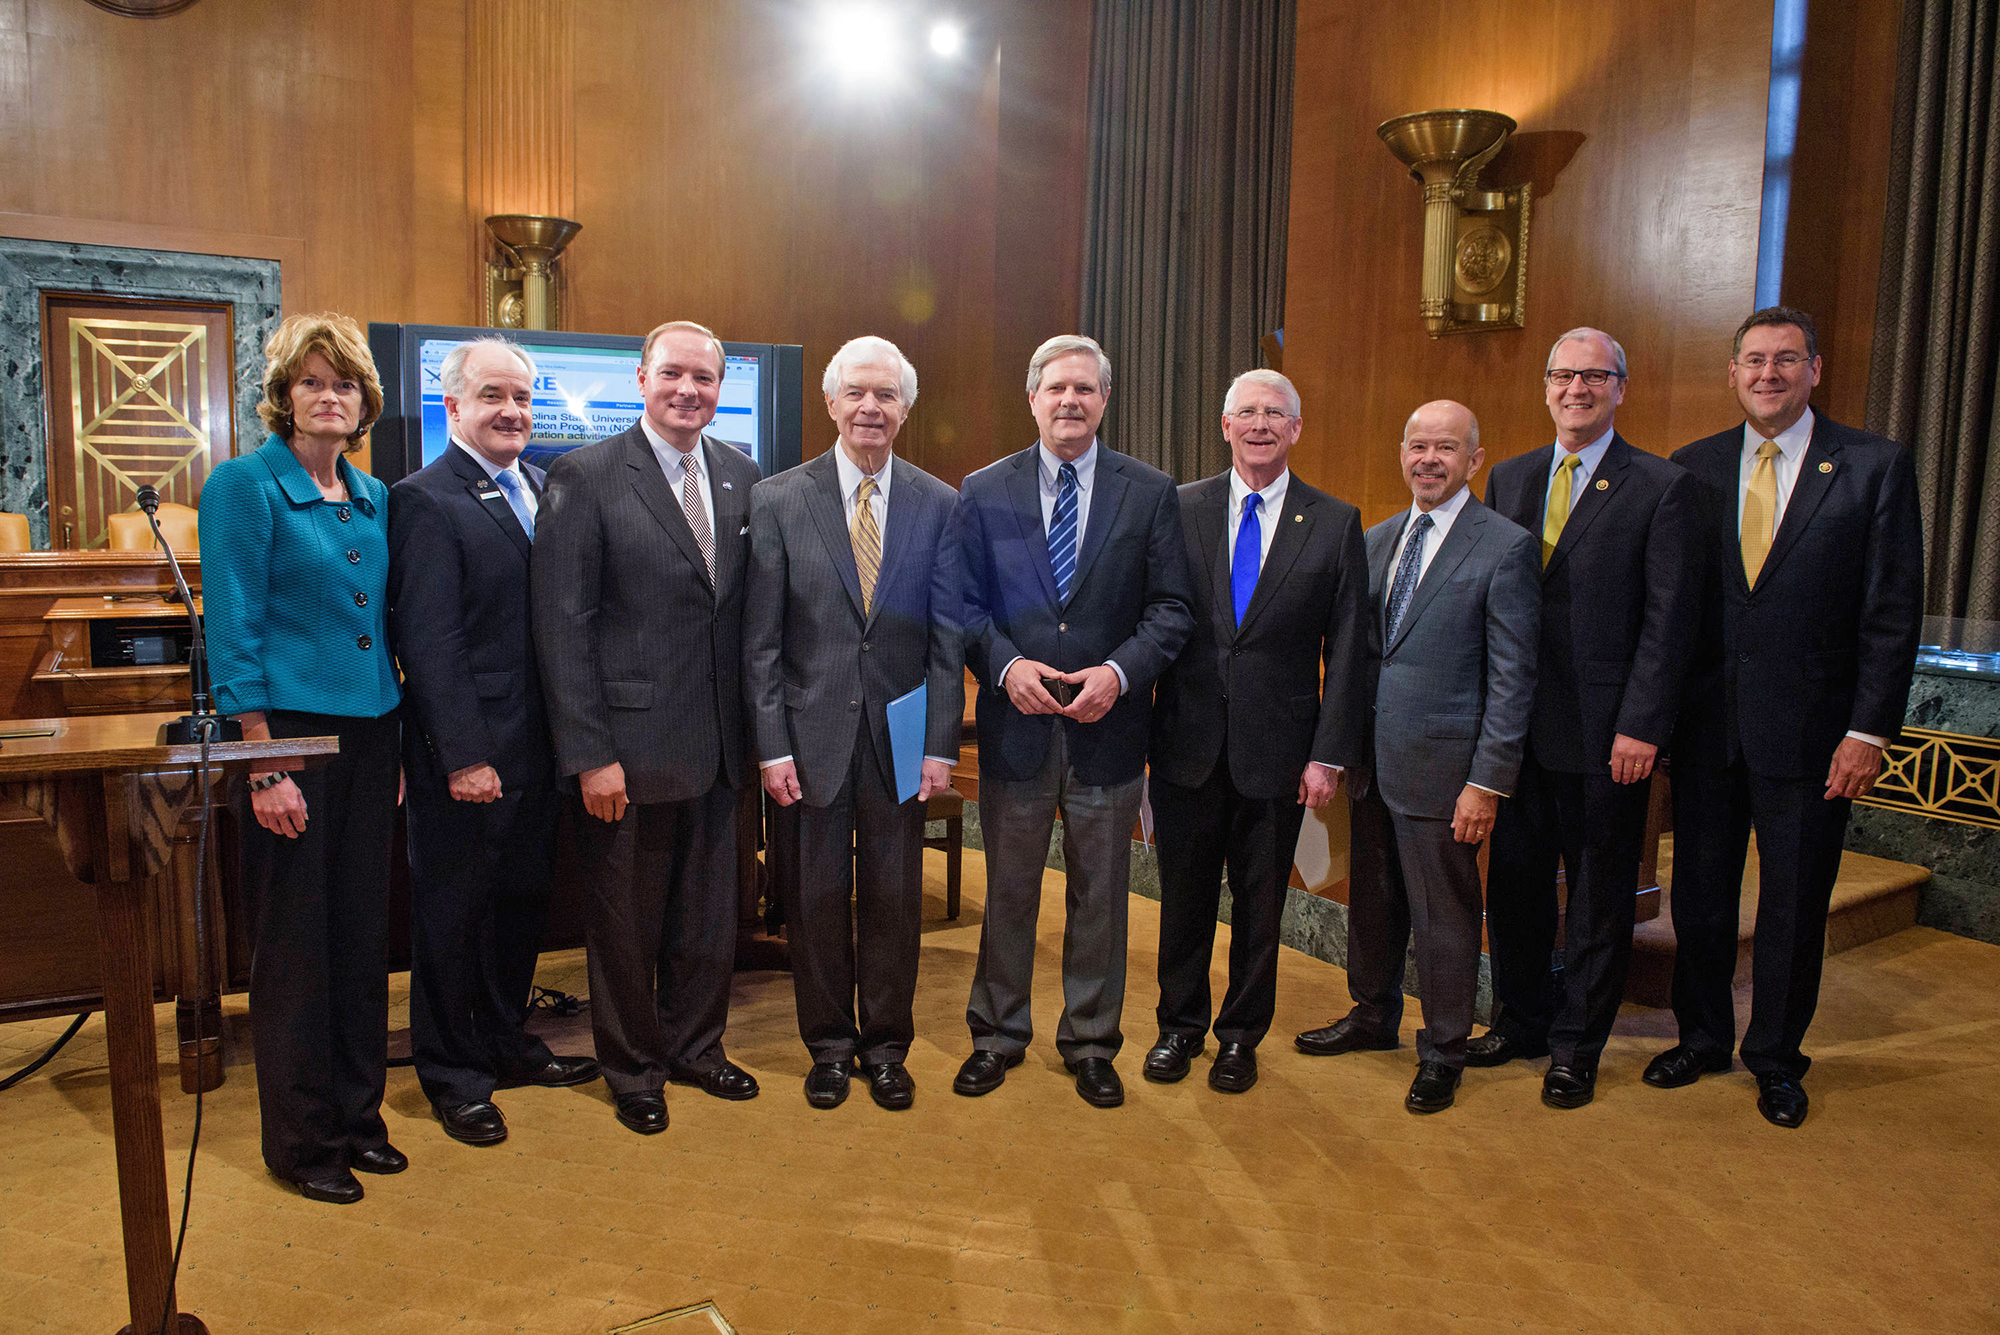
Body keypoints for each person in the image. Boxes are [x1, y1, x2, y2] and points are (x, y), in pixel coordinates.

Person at [1651, 306, 1923, 1128]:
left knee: (1795, 901)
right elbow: (1674, 610)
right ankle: (1701, 1036)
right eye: (1754, 361)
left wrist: (1868, 731)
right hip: (1706, 729)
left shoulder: (1873, 466)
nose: (1768, 374)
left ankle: (1775, 1054)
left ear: (1815, 370)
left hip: (1815, 735)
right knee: (1700, 892)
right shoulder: (1689, 469)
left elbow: (1891, 611)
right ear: (1732, 373)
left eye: (1785, 360)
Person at [531, 320, 764, 1136]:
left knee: (708, 920)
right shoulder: (584, 475)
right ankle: (634, 1068)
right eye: (673, 374)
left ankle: (699, 1046)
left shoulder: (741, 474)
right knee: (625, 925)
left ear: (720, 387)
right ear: (640, 378)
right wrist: (590, 755)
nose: (688, 390)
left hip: (721, 748)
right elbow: (563, 627)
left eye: (705, 377)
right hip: (624, 752)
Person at [951, 334, 1195, 1109]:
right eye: (1057, 388)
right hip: (1014, 726)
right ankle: (996, 1034)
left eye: (1085, 390)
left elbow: (1171, 609)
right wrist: (1005, 665)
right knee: (1011, 891)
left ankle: (1092, 1041)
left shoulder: (1151, 491)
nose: (1070, 401)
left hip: (1110, 733)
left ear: (1104, 400)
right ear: (1032, 398)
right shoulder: (983, 489)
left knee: (1102, 897)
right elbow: (961, 606)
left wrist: (1120, 674)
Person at [199, 313, 403, 1204]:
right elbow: (233, 629)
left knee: (363, 938)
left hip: (371, 733)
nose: (331, 395)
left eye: (346, 383)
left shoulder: (375, 495)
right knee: (295, 949)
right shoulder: (245, 486)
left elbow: (381, 624)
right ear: (284, 397)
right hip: (289, 736)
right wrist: (263, 760)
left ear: (365, 403)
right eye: (314, 381)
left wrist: (392, 741)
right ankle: (303, 1139)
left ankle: (361, 1118)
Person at [1473, 329, 1701, 1108]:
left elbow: (1670, 622)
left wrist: (1643, 724)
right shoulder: (1510, 477)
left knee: (1600, 897)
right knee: (1515, 885)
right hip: (1517, 730)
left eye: (1594, 375)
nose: (1577, 387)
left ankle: (1576, 1045)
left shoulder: (1660, 486)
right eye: (1564, 375)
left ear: (1620, 388)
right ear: (1545, 387)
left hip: (1611, 737)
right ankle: (1520, 1019)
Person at [1294, 400, 1538, 1115]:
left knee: (1444, 915)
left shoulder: (1505, 546)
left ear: (1474, 459)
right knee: (1372, 904)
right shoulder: (1374, 540)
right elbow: (1353, 658)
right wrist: (1335, 753)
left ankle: (1444, 1047)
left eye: (1446, 447)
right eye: (1418, 446)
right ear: (1402, 453)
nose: (1429, 459)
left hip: (1446, 773)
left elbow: (1512, 677)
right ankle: (1372, 1016)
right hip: (1371, 765)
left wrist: (1486, 780)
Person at [389, 338, 601, 1149]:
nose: (511, 411)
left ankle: (505, 1042)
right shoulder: (424, 498)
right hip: (471, 756)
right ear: (453, 407)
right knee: (452, 916)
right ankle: (452, 1074)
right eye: (491, 396)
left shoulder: (545, 487)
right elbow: (432, 643)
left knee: (518, 910)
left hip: (541, 749)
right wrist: (463, 755)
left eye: (522, 397)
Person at [743, 336, 963, 1112]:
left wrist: (940, 743)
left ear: (906, 407)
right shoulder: (776, 499)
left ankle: (888, 1046)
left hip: (902, 738)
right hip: (807, 739)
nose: (872, 407)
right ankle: (830, 1046)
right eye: (857, 393)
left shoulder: (941, 503)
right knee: (815, 897)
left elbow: (947, 637)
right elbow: (760, 641)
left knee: (896, 898)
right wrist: (770, 747)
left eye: (887, 395)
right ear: (831, 403)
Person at [1144, 369, 1373, 1095]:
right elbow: (1152, 621)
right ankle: (1178, 1029)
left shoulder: (1334, 521)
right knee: (1181, 902)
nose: (1260, 423)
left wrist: (1328, 755)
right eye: (1247, 411)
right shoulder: (1178, 509)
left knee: (1260, 907)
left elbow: (1348, 650)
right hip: (1184, 745)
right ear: (1225, 424)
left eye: (1275, 412)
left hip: (1279, 755)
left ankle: (1240, 1036)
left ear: (1296, 429)